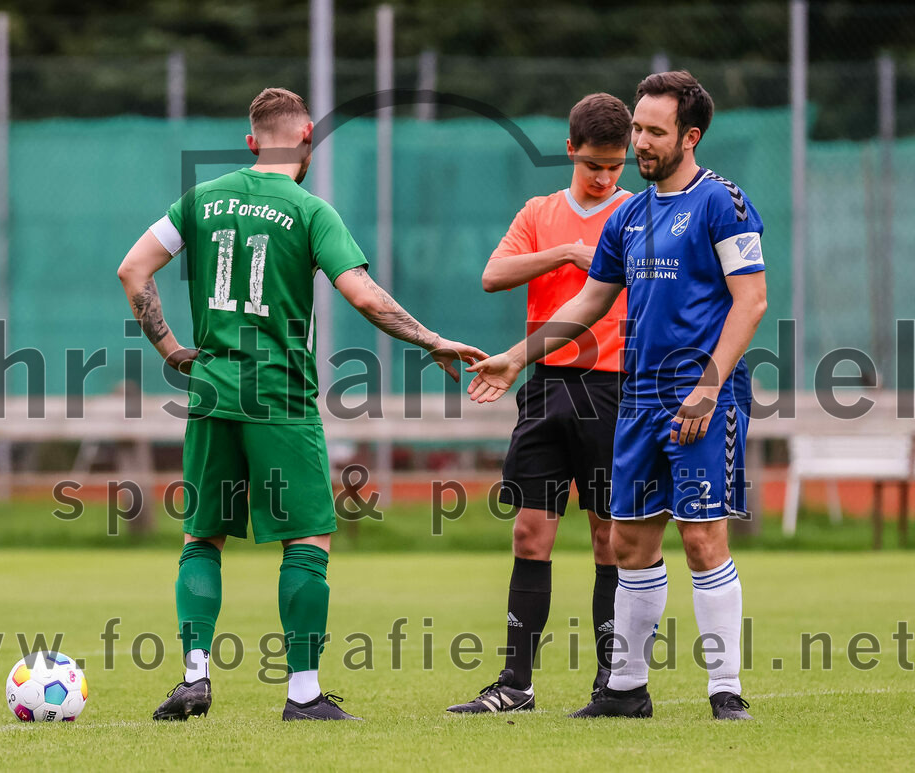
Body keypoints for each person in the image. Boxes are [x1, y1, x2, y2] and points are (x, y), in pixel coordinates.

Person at [118, 87, 486, 722]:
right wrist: (432, 339)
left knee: (202, 537)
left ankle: (194, 677)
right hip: (280, 395)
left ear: (251, 140)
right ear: (309, 136)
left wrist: (173, 350)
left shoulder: (200, 199)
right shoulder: (311, 211)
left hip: (210, 389)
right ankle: (303, 693)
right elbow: (365, 297)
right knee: (308, 539)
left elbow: (133, 270)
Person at [467, 71, 767, 721]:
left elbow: (753, 299)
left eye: (654, 131)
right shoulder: (629, 215)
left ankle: (726, 691)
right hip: (636, 398)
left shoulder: (724, 203)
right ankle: (626, 690)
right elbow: (589, 301)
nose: (640, 143)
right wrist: (517, 357)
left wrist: (709, 387)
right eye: (638, 127)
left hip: (699, 395)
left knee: (703, 539)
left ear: (690, 136)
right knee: (630, 544)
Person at [446, 93, 633, 714]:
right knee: (530, 534)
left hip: (615, 388)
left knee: (610, 539)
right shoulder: (540, 213)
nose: (607, 177)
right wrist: (567, 253)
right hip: (546, 386)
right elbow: (493, 275)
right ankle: (515, 686)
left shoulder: (641, 214)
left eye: (617, 165)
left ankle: (615, 685)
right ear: (571, 151)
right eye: (596, 166)